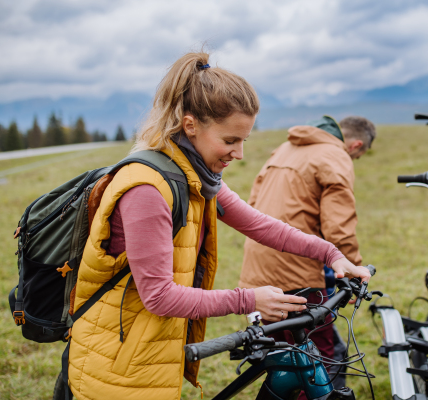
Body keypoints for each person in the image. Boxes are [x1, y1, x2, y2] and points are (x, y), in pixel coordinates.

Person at [66, 52, 371, 400]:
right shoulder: (147, 189)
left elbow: (260, 225)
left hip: (147, 351)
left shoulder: (197, 175)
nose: (239, 153)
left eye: (244, 140)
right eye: (230, 141)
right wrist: (249, 300)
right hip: (116, 366)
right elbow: (159, 296)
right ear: (191, 125)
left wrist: (331, 254)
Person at [239, 114, 376, 380]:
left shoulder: (284, 149)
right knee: (320, 357)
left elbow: (252, 207)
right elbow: (339, 227)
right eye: (357, 157)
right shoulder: (335, 156)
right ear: (356, 145)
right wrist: (353, 270)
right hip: (297, 271)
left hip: (258, 268)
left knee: (280, 354)